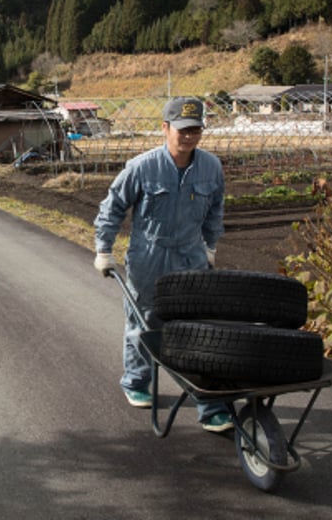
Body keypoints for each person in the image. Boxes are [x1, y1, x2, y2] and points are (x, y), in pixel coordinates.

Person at [93, 96, 232, 432]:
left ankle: (210, 405)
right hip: (149, 255)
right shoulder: (142, 167)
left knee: (197, 328)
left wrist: (210, 246)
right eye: (183, 130)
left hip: (191, 255)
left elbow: (216, 208)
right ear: (165, 128)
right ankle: (137, 382)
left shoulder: (211, 166)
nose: (189, 136)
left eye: (196, 129)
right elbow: (112, 208)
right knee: (144, 324)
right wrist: (103, 248)